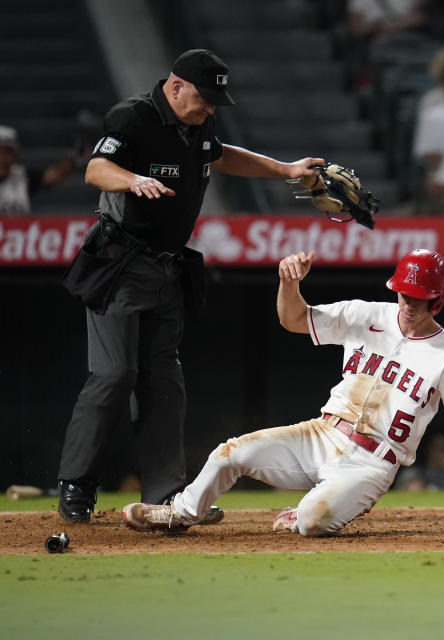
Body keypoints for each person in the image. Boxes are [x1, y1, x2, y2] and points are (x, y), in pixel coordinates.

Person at [56, 49, 328, 523]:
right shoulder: (134, 117)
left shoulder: (199, 124)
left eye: (215, 102)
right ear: (176, 85)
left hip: (168, 269)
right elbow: (95, 169)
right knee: (116, 374)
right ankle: (76, 486)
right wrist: (132, 179)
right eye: (204, 98)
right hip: (120, 263)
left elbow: (222, 156)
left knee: (165, 382)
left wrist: (285, 170)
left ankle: (166, 496)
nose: (209, 109)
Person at [121, 249, 444, 535]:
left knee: (311, 522)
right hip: (321, 434)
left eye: (418, 297)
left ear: (437, 300)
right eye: (404, 293)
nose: (408, 303)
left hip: (372, 463)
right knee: (228, 453)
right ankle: (180, 514)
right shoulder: (366, 315)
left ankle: (325, 507)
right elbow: (293, 319)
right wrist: (290, 284)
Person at [0, 125, 82, 216]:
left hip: (19, 229)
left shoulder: (22, 176)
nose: (2, 158)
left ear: (15, 155)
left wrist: (74, 159)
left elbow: (53, 175)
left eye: (7, 152)